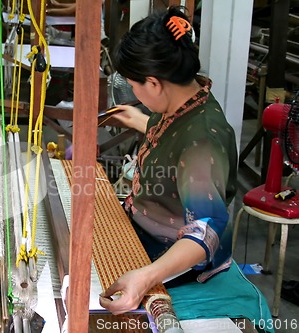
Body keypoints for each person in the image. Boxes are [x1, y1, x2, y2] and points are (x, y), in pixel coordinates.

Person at [99, 7, 238, 315]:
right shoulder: (186, 99)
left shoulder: (202, 142)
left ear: (154, 83)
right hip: (145, 230)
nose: (133, 93)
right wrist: (140, 120)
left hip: (175, 258)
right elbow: (173, 132)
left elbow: (206, 230)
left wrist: (146, 277)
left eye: (135, 87)